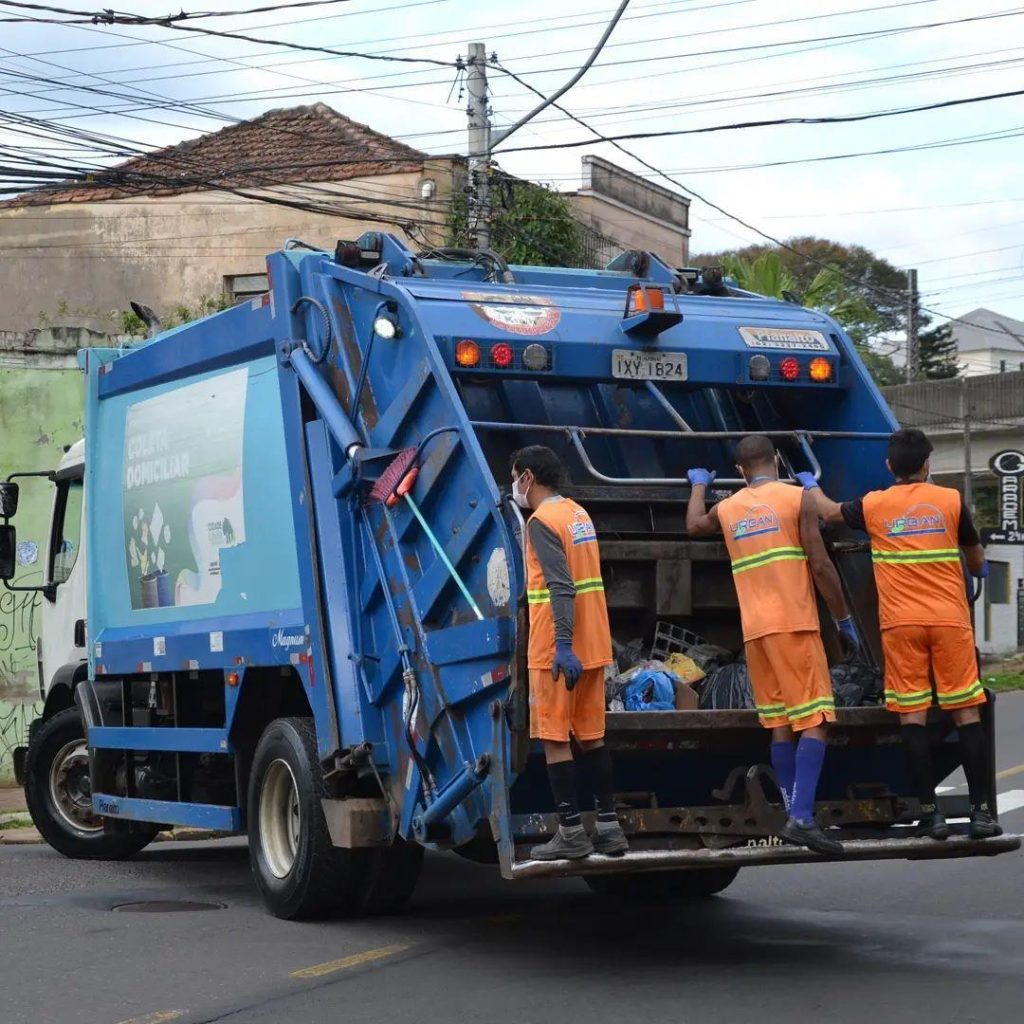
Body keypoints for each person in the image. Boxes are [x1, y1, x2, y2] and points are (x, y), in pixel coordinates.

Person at [800, 427, 1000, 840]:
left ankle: (931, 816)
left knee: (912, 715)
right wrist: (977, 571)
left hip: (902, 625)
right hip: (950, 621)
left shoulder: (874, 505)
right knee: (966, 711)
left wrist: (808, 483)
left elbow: (829, 511)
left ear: (889, 466)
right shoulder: (950, 501)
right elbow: (976, 558)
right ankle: (981, 814)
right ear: (928, 464)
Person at [686, 436, 860, 857]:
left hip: (755, 633)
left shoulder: (726, 509)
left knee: (780, 722)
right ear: (777, 460)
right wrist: (844, 620)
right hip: (795, 626)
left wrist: (698, 486)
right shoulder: (797, 498)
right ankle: (801, 818)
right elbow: (819, 563)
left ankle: (791, 812)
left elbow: (693, 525)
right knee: (815, 717)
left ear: (740, 470)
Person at [511, 445, 628, 861]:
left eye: (515, 477)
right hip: (594, 645)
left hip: (558, 650)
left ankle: (571, 832)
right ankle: (610, 829)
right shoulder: (578, 514)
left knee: (557, 740)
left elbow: (561, 586)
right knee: (593, 737)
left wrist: (561, 644)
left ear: (527, 477)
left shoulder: (541, 521)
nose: (515, 486)